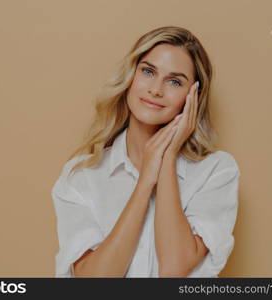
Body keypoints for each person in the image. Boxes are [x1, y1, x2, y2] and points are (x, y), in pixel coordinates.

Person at [51, 26, 240, 278]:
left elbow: (173, 270)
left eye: (174, 81)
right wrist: (144, 182)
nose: (156, 90)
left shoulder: (217, 171)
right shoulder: (82, 176)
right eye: (148, 71)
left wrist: (167, 158)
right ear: (131, 77)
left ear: (193, 96)